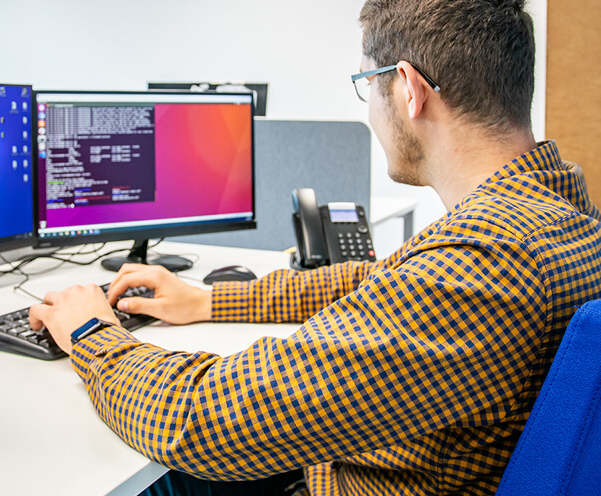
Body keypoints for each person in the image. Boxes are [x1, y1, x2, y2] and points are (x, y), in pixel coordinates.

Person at [29, 0, 601, 494]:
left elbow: (201, 421)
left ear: (408, 90)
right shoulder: (561, 214)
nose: (369, 108)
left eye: (365, 85)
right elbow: (376, 278)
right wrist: (207, 301)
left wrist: (91, 332)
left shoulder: (482, 267)